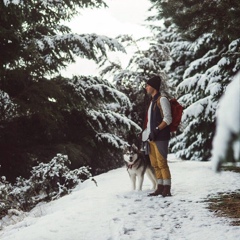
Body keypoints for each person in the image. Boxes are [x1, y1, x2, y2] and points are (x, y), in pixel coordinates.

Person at [142, 75, 172, 197]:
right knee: (155, 164)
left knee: (162, 163)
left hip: (161, 137)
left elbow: (168, 118)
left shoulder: (162, 100)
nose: (146, 88)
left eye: (148, 85)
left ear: (153, 87)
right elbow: (149, 121)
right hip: (151, 137)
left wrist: (157, 129)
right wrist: (147, 134)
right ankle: (159, 187)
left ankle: (167, 188)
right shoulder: (152, 101)